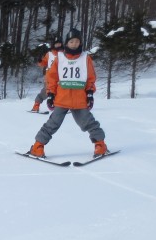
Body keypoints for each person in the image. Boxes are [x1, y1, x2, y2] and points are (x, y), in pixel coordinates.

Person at [28, 28, 110, 158]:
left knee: (88, 122)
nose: (74, 44)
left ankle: (100, 144)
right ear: (67, 43)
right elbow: (52, 78)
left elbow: (90, 77)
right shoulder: (59, 58)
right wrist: (50, 94)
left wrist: (89, 93)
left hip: (80, 99)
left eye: (77, 41)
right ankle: (38, 146)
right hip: (62, 99)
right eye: (71, 41)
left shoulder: (85, 58)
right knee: (52, 124)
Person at [31, 37, 63, 112]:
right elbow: (43, 63)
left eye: (59, 43)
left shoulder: (64, 53)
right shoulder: (49, 54)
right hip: (50, 77)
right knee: (45, 92)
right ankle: (36, 106)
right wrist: (39, 60)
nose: (58, 45)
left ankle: (59, 107)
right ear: (53, 45)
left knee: (61, 92)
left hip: (61, 77)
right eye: (56, 44)